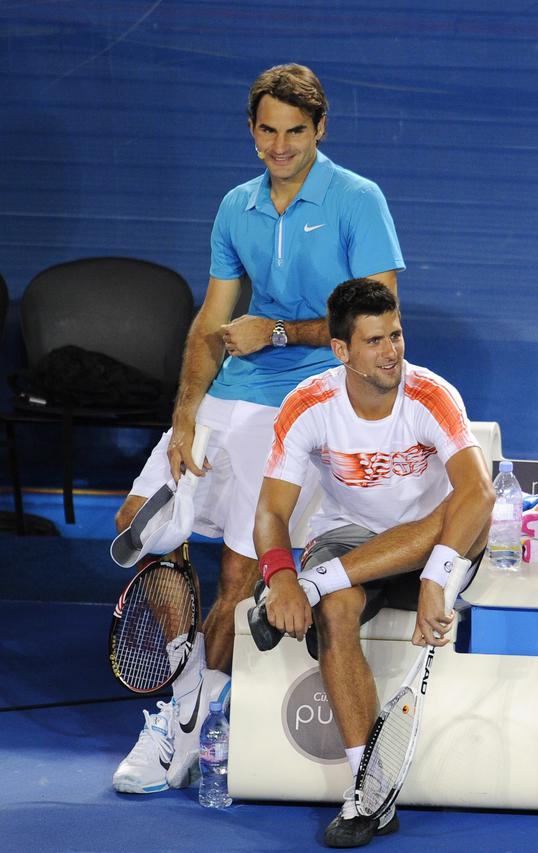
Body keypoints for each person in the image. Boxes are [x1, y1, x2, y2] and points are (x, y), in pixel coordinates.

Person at [111, 64, 405, 795]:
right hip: (229, 397)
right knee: (140, 527)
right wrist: (185, 412)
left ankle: (188, 726)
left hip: (306, 401)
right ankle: (190, 693)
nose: (280, 146)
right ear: (251, 129)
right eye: (267, 131)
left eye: (296, 132)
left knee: (239, 577)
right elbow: (212, 322)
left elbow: (376, 322)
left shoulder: (358, 200)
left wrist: (274, 331)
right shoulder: (235, 206)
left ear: (321, 129)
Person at [254, 278, 493, 847]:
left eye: (397, 335)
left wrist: (437, 576)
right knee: (336, 611)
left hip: (437, 542)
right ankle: (370, 792)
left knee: (464, 506)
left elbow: (479, 493)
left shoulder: (431, 395)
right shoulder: (308, 405)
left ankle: (318, 582)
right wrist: (280, 577)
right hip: (350, 537)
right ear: (341, 350)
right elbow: (270, 510)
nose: (392, 352)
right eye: (375, 341)